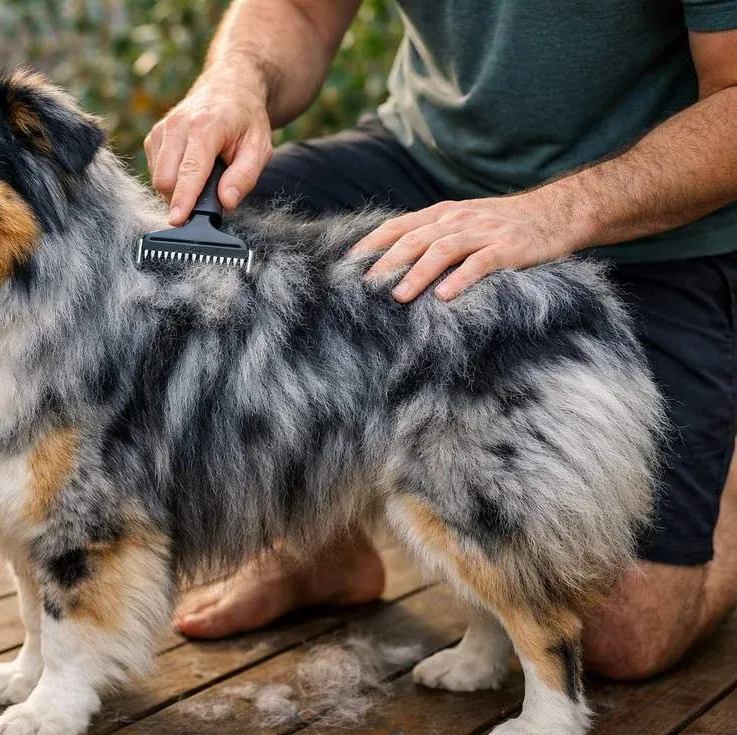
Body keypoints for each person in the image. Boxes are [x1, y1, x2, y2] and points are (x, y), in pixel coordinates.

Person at [144, 0, 737, 681]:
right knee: (235, 234)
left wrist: (557, 211)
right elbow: (301, 12)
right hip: (431, 167)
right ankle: (317, 548)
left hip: (658, 220)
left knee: (619, 635)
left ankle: (718, 482)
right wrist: (235, 77)